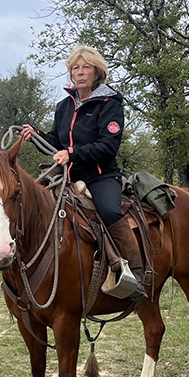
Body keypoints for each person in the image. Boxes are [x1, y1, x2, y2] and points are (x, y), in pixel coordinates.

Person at [20, 45, 146, 302]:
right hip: (66, 176)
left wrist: (72, 154)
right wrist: (36, 136)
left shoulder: (110, 104)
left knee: (110, 212)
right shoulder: (64, 106)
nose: (79, 73)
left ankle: (137, 273)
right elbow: (57, 139)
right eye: (75, 68)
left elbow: (108, 146)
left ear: (97, 72)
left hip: (101, 176)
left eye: (85, 67)